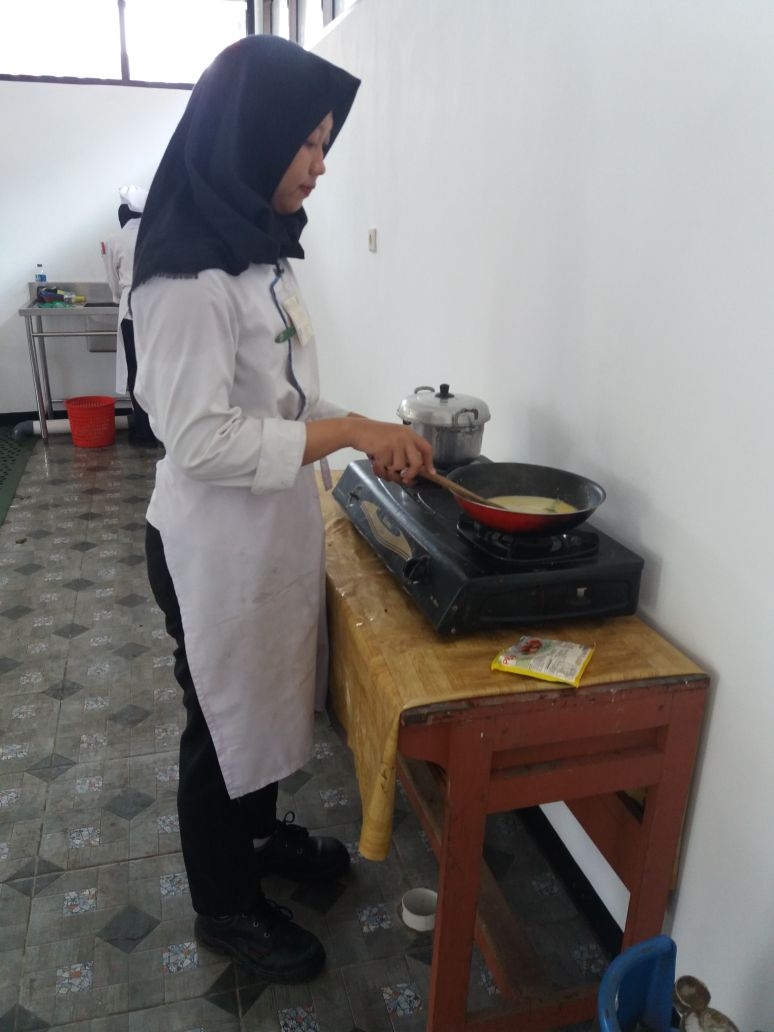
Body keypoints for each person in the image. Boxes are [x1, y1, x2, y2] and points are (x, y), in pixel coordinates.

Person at [130, 35, 435, 985]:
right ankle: (225, 905)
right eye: (306, 142)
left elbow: (285, 398)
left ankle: (258, 841)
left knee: (262, 693)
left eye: (324, 143)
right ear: (251, 136)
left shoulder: (261, 250)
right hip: (210, 547)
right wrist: (346, 430)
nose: (320, 163)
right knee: (219, 715)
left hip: (265, 533)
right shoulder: (186, 278)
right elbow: (199, 440)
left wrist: (356, 431)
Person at [103, 185, 159, 445]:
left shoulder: (114, 240)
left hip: (131, 311)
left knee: (136, 371)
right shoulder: (160, 233)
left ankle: (144, 432)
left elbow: (113, 283)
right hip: (160, 309)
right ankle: (165, 431)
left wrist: (119, 298)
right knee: (161, 368)